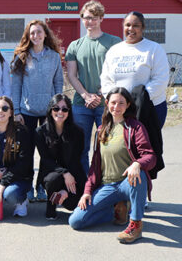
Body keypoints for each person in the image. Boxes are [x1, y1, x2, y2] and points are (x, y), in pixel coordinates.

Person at [69, 87, 156, 244]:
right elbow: (95, 166)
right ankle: (115, 209)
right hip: (107, 186)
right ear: (107, 103)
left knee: (139, 174)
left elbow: (150, 156)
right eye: (113, 102)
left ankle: (135, 225)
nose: (117, 107)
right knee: (76, 221)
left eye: (121, 103)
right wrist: (87, 191)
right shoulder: (102, 130)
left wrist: (137, 163)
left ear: (128, 105)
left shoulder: (135, 127)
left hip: (127, 183)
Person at [11, 19, 63, 202]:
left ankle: (41, 186)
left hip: (48, 113)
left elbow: (58, 84)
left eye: (39, 32)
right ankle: (26, 187)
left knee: (47, 152)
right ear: (28, 36)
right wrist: (16, 111)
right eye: (32, 33)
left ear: (45, 34)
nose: (36, 36)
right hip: (26, 112)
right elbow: (15, 86)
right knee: (27, 152)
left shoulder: (54, 57)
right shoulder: (22, 57)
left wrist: (59, 110)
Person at [66, 0, 121, 173]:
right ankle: (84, 185)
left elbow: (117, 72)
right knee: (80, 148)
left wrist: (99, 95)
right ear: (82, 18)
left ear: (101, 18)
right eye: (87, 18)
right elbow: (72, 75)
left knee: (106, 147)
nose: (90, 22)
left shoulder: (114, 42)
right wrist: (86, 96)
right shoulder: (75, 46)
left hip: (107, 104)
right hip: (81, 104)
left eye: (94, 18)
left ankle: (104, 184)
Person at [100, 11, 169, 128]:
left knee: (146, 145)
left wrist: (136, 101)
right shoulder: (114, 50)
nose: (131, 28)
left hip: (150, 108)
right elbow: (105, 79)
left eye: (136, 25)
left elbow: (161, 80)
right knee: (121, 145)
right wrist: (117, 101)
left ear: (143, 28)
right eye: (127, 25)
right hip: (120, 110)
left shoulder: (154, 49)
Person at [35, 94, 86, 220]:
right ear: (50, 110)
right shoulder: (40, 132)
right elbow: (46, 159)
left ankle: (62, 194)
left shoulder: (78, 132)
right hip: (51, 173)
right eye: (56, 108)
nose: (60, 112)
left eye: (64, 109)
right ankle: (51, 207)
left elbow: (76, 159)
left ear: (69, 112)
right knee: (53, 180)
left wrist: (70, 179)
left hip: (73, 171)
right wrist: (65, 173)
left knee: (73, 204)